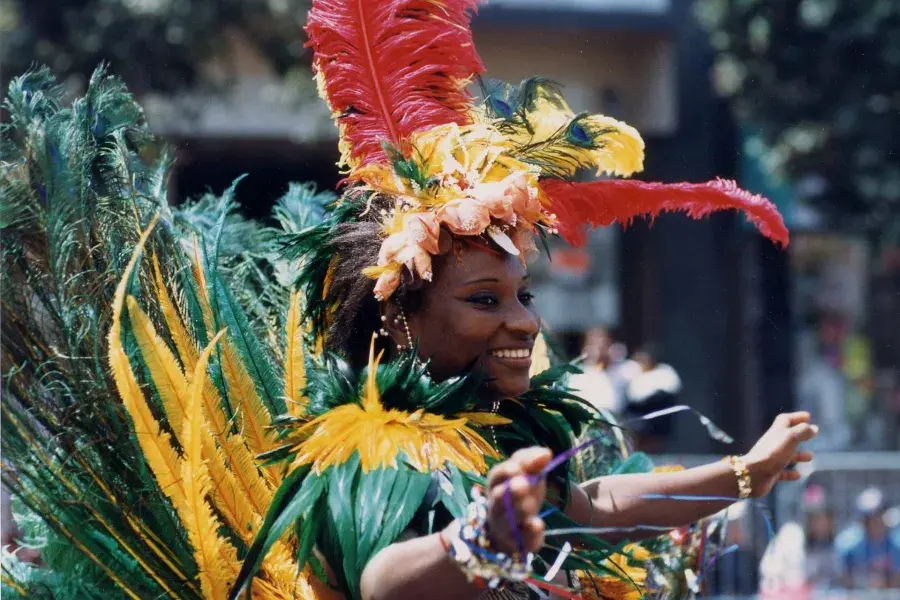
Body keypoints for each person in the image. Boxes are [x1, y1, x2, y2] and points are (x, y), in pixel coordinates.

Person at [2, 1, 805, 599]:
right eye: (485, 299)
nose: (525, 320)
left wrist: (742, 473)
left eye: (523, 293)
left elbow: (590, 503)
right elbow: (384, 577)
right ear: (398, 316)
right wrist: (475, 542)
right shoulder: (376, 445)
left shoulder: (493, 431)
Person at [834, 487, 900, 590]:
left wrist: (886, 583)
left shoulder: (896, 543)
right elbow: (841, 578)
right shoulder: (848, 544)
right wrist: (864, 582)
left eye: (879, 515)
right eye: (869, 518)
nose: (875, 521)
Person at [623, 344, 682, 453]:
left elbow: (667, 393)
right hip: (636, 422)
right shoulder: (633, 373)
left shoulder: (664, 372)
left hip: (656, 422)